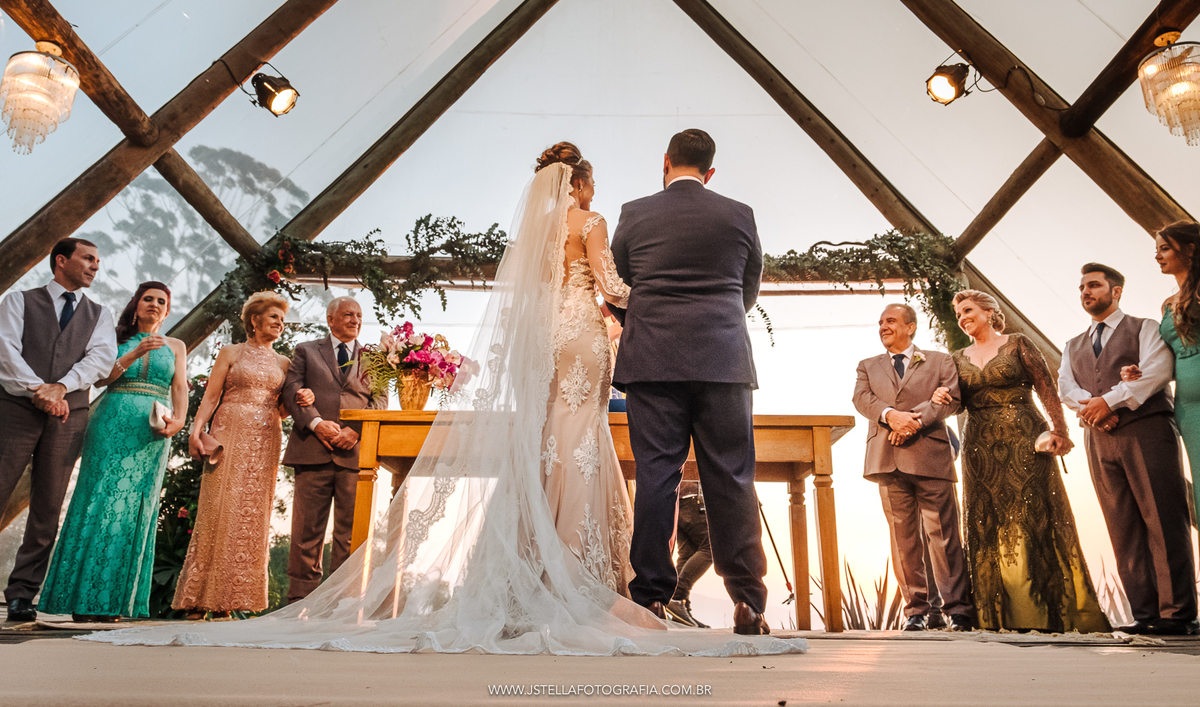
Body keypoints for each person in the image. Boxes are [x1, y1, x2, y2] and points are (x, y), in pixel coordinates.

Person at [88, 146, 806, 656]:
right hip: (622, 339)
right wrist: (666, 302)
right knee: (621, 452)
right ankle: (693, 592)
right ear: (583, 184)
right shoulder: (603, 223)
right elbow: (623, 289)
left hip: (557, 345)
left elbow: (578, 289)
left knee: (585, 452)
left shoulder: (567, 227)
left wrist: (648, 301)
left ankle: (609, 579)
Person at [608, 128, 771, 635]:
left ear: (666, 161)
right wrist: (714, 320)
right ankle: (748, 601)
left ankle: (651, 599)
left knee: (658, 475)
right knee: (731, 477)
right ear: (710, 171)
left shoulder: (635, 212)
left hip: (653, 360)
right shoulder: (738, 213)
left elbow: (617, 287)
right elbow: (747, 291)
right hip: (723, 360)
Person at [936, 289, 1108, 633]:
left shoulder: (1017, 343)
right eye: (958, 315)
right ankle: (995, 617)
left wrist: (1059, 429)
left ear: (989, 312)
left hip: (1026, 438)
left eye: (968, 310)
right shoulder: (955, 357)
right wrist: (942, 397)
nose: (963, 317)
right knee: (988, 522)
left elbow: (1046, 386)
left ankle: (1047, 613)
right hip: (979, 446)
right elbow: (956, 403)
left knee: (1033, 517)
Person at [1058, 264, 1196, 635]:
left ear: (1115, 291)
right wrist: (1095, 410)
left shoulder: (1145, 327)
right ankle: (1145, 612)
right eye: (1082, 286)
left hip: (1147, 429)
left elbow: (1157, 370)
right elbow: (1066, 389)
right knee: (1122, 525)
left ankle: (1178, 614)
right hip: (1099, 438)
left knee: (1163, 519)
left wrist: (1110, 402)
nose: (1086, 291)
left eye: (1094, 285)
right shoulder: (1073, 345)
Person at [38, 282, 188, 622]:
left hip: (152, 431)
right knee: (99, 500)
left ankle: (115, 602)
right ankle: (79, 598)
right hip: (110, 422)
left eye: (160, 301)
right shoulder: (113, 338)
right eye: (147, 299)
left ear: (167, 311)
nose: (153, 304)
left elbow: (179, 389)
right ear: (135, 306)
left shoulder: (176, 345)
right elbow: (101, 380)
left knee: (135, 508)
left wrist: (178, 422)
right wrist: (134, 353)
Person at [535, 143, 635, 595]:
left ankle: (541, 554)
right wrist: (655, 297)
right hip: (582, 335)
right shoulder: (589, 221)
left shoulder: (537, 229)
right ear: (578, 183)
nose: (595, 192)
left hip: (548, 334)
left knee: (555, 427)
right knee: (584, 432)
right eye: (592, 184)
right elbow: (611, 287)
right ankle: (578, 560)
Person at [0, 238, 116, 624]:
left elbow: (101, 359)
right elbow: (5, 351)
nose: (95, 266)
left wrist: (61, 388)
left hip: (69, 414)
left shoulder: (100, 314)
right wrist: (39, 390)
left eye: (97, 261)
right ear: (61, 261)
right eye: (88, 258)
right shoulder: (18, 302)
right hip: (14, 408)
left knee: (48, 504)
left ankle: (21, 594)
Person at [853, 304, 973, 632]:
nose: (883, 327)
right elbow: (862, 399)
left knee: (944, 536)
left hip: (930, 455)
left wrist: (912, 421)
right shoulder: (867, 366)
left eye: (890, 321)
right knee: (903, 538)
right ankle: (916, 611)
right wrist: (892, 416)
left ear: (911, 327)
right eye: (880, 322)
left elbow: (951, 398)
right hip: (886, 458)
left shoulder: (940, 361)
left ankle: (958, 610)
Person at [171, 291, 291, 619]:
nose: (280, 323)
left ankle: (230, 600)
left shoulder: (284, 363)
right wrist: (196, 431)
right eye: (273, 317)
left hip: (266, 438)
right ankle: (197, 599)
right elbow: (210, 397)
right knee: (218, 507)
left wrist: (299, 399)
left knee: (252, 514)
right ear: (254, 320)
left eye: (282, 319)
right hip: (229, 431)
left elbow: (283, 409)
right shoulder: (231, 352)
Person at [281, 296, 387, 604]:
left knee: (351, 534)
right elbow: (291, 391)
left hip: (356, 456)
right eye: (348, 315)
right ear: (330, 319)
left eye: (359, 315)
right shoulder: (306, 351)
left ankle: (343, 604)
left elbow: (379, 401)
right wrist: (315, 424)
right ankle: (298, 604)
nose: (355, 320)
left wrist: (356, 431)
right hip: (312, 450)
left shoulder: (375, 357)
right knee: (305, 532)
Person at [1147, 221, 1200, 521]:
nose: (1157, 256)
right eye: (1156, 250)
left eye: (1165, 248)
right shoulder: (1167, 305)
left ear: (1190, 249)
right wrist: (1138, 372)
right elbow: (1168, 357)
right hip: (1188, 408)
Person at [667, 481, 712, 628]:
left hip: (676, 498)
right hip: (694, 497)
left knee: (687, 554)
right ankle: (677, 595)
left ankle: (682, 610)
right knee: (710, 548)